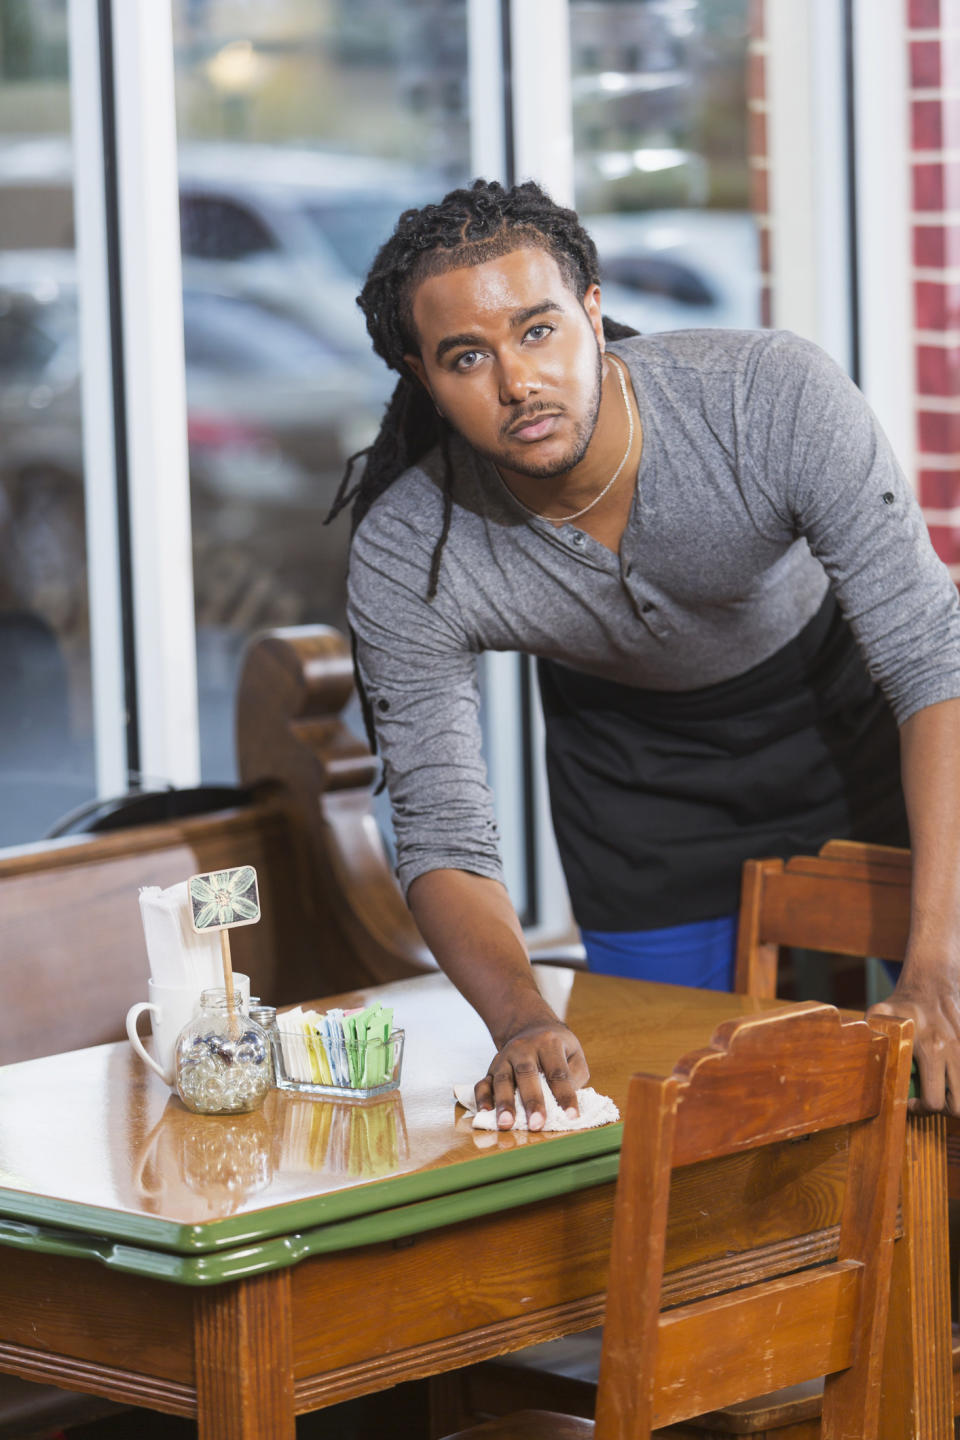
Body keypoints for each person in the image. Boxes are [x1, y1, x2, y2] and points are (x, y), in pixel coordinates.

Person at [329, 178, 960, 1128]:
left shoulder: (765, 396)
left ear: (592, 310)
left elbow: (930, 660)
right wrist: (521, 1017)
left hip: (858, 725)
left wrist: (939, 967)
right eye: (468, 356)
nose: (517, 383)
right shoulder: (410, 549)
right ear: (423, 375)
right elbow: (442, 832)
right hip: (639, 786)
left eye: (538, 330)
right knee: (683, 1119)